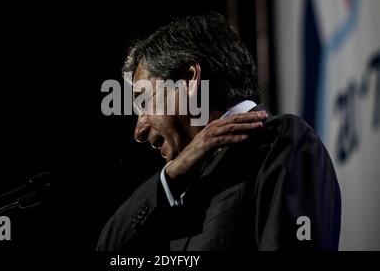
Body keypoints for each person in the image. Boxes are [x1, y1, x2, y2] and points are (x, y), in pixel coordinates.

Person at [97, 13, 341, 251]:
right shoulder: (180, 185)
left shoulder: (278, 141)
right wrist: (170, 178)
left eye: (145, 103)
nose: (139, 131)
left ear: (190, 80)